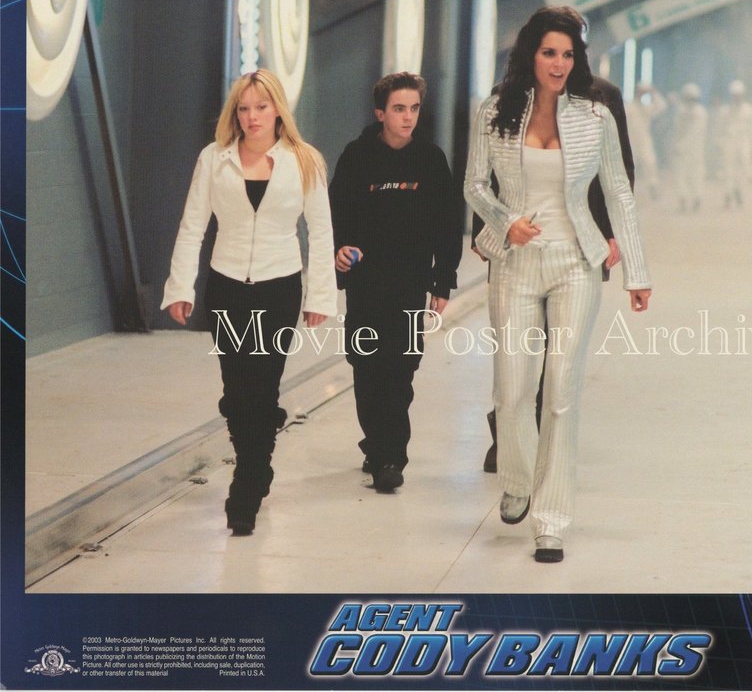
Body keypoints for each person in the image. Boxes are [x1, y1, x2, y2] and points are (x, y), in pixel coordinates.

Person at [465, 6, 652, 563]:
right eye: (550, 52)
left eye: (568, 55)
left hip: (575, 263)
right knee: (512, 391)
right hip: (515, 264)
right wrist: (505, 222)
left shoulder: (595, 117)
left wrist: (637, 270)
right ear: (531, 54)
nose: (559, 63)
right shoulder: (495, 111)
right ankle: (517, 480)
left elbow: (618, 190)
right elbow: (475, 185)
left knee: (562, 391)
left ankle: (551, 520)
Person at [162, 69, 336, 536]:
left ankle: (248, 480)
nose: (252, 116)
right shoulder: (213, 159)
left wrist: (320, 295)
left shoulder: (305, 160)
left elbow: (321, 232)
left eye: (261, 106)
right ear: (234, 113)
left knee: (262, 385)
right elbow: (192, 226)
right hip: (226, 287)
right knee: (237, 391)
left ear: (278, 109)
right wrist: (180, 287)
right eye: (243, 108)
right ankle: (256, 457)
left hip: (279, 287)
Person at [474, 73, 634, 473]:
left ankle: (543, 438)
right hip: (517, 239)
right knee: (515, 348)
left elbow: (618, 174)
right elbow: (488, 173)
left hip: (579, 239)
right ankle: (508, 435)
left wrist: (611, 233)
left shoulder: (603, 98)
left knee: (561, 349)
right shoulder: (505, 95)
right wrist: (489, 227)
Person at [328, 72, 462, 493]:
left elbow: (447, 224)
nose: (408, 117)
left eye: (414, 109)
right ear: (380, 113)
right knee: (367, 365)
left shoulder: (430, 160)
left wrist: (443, 281)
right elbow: (335, 213)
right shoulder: (356, 156)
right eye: (399, 109)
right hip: (366, 282)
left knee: (401, 368)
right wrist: (338, 253)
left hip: (410, 282)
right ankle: (376, 443)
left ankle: (391, 457)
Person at [719, 79, 752, 208]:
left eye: (739, 95)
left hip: (744, 142)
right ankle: (728, 193)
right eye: (734, 95)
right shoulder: (726, 111)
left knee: (744, 169)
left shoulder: (749, 110)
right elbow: (720, 129)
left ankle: (739, 190)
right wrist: (721, 143)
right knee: (728, 169)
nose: (737, 98)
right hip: (730, 142)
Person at [623, 83, 666, 201]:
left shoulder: (646, 108)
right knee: (629, 166)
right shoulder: (628, 107)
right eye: (640, 91)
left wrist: (652, 91)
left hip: (644, 140)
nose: (641, 94)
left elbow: (662, 106)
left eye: (643, 92)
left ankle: (653, 186)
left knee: (650, 163)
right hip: (630, 141)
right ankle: (626, 191)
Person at [672, 82, 708, 213]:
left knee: (696, 174)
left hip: (695, 150)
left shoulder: (700, 112)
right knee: (681, 175)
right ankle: (683, 198)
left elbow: (695, 133)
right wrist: (675, 145)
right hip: (682, 150)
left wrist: (680, 146)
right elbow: (677, 131)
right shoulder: (681, 111)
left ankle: (697, 197)